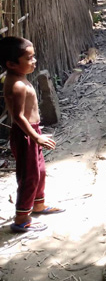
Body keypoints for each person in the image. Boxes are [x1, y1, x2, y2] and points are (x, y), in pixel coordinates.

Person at [1, 37, 65, 233]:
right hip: (25, 135)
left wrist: (37, 133)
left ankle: (38, 204)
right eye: (29, 58)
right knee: (29, 176)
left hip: (32, 131)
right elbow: (18, 117)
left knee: (40, 172)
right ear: (11, 64)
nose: (34, 61)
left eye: (33, 56)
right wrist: (35, 136)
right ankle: (21, 218)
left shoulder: (20, 77)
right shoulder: (16, 85)